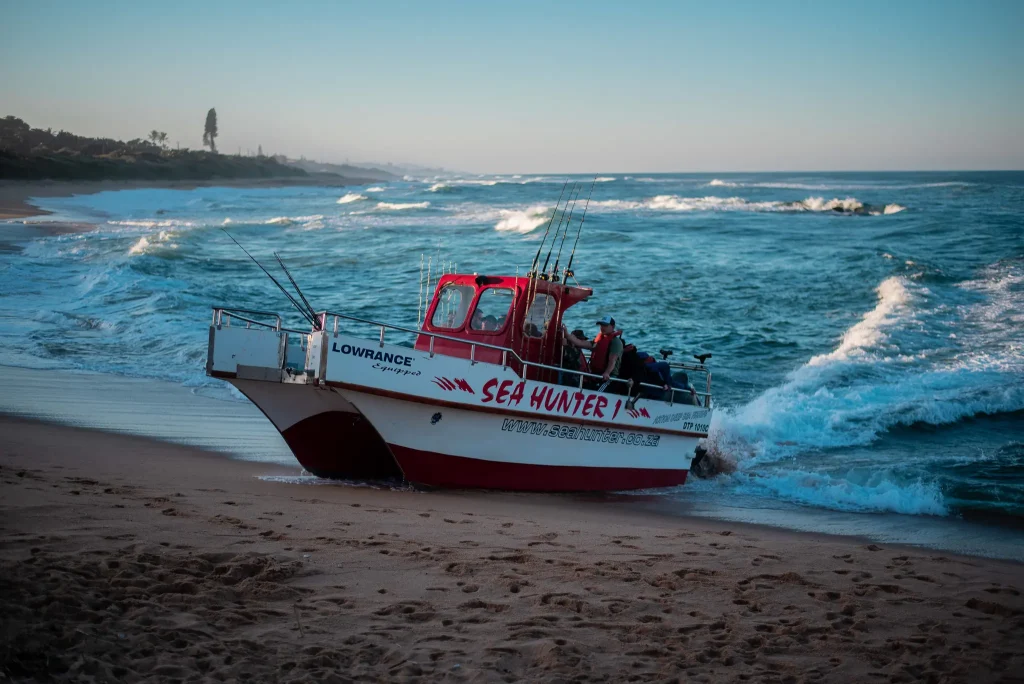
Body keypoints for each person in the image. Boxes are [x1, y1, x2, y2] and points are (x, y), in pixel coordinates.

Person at [564, 315, 623, 388]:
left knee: (598, 393)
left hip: (609, 377)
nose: (602, 327)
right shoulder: (599, 340)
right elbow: (581, 343)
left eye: (605, 325)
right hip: (596, 376)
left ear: (612, 327)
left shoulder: (616, 342)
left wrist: (607, 373)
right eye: (601, 325)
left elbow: (612, 360)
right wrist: (567, 335)